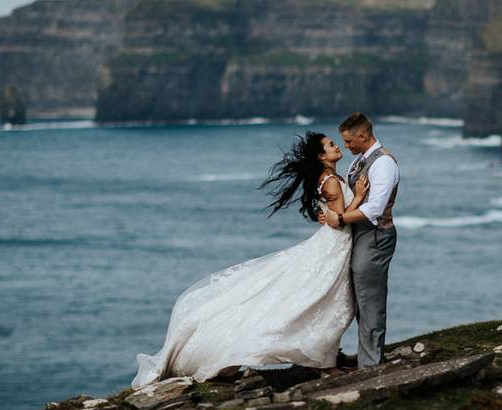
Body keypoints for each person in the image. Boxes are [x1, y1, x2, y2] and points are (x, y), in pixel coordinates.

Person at [131, 131, 369, 388]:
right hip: (333, 246)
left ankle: (326, 359)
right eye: (331, 145)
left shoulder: (325, 178)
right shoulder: (331, 180)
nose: (336, 146)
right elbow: (339, 218)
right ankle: (326, 364)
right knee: (324, 301)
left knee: (323, 301)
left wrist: (327, 212)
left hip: (334, 244)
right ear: (322, 156)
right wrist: (358, 194)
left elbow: (325, 213)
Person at [321, 112, 400, 369]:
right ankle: (366, 356)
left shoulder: (383, 164)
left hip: (376, 236)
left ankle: (370, 365)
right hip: (360, 234)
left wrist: (340, 219)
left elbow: (375, 208)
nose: (346, 146)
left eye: (348, 141)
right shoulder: (359, 161)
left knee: (371, 299)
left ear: (363, 136)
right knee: (356, 299)